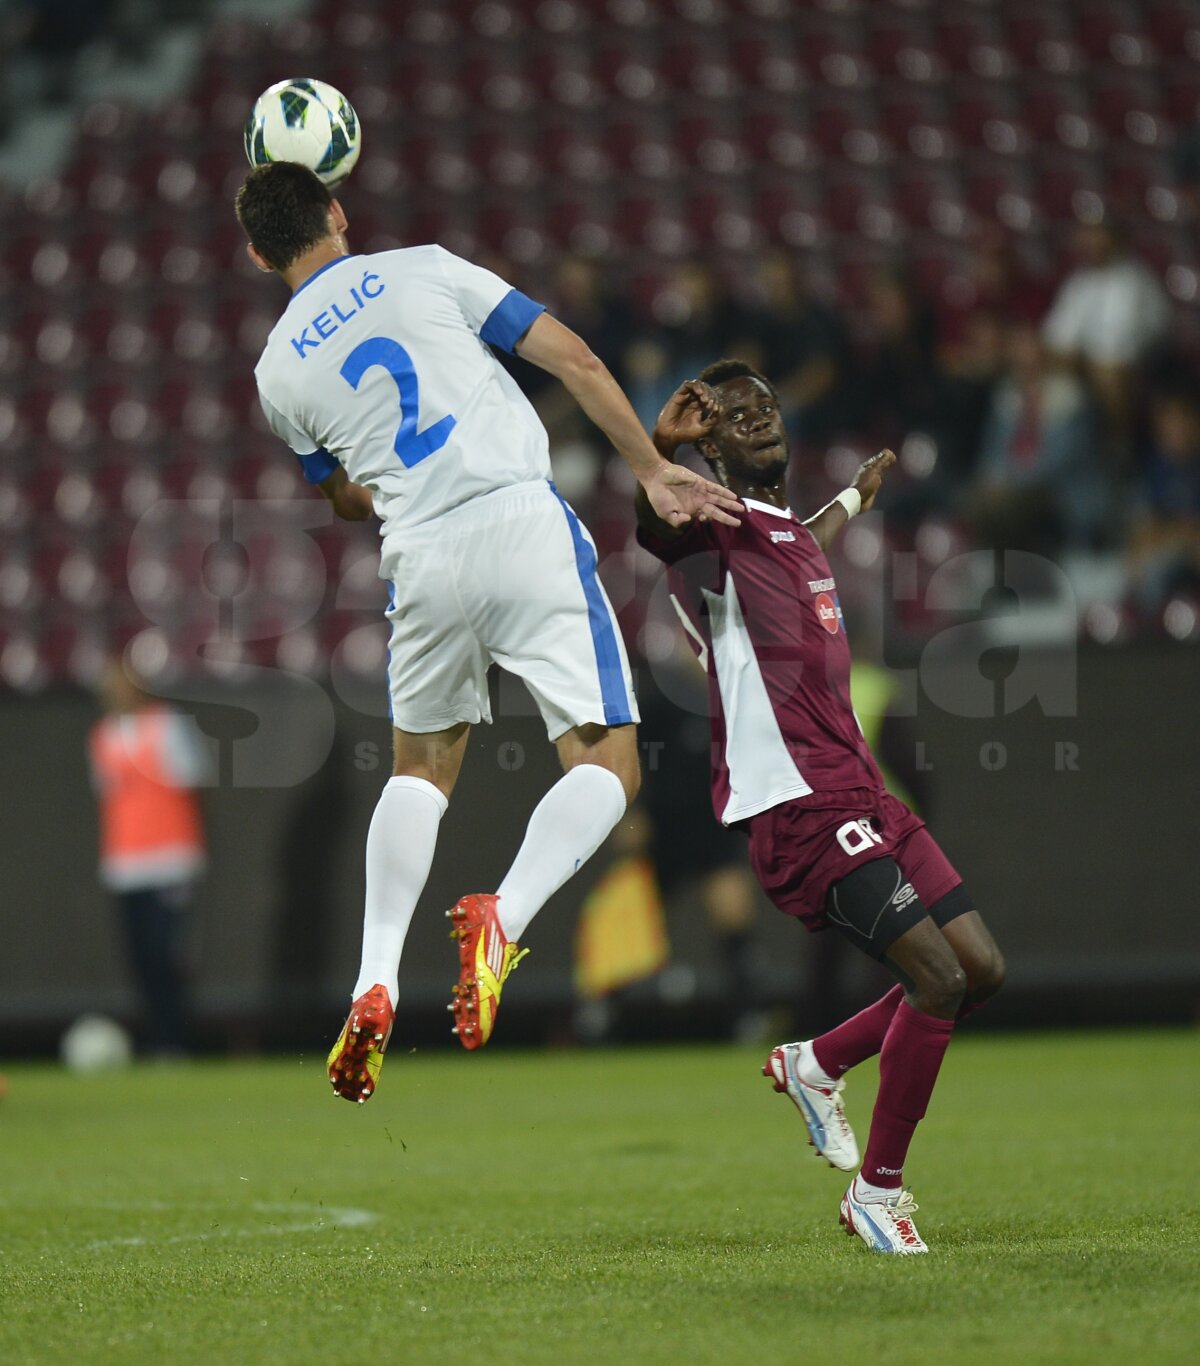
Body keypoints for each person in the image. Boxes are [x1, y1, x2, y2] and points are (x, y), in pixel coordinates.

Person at [233, 163, 740, 1103]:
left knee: (419, 772)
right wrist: (654, 468)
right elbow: (575, 359)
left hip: (419, 551)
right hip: (516, 518)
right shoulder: (424, 267)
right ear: (339, 211)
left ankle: (374, 977)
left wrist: (381, 481)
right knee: (607, 763)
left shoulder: (275, 372)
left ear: (261, 254)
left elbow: (343, 492)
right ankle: (502, 917)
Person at [636, 360, 1005, 1255]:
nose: (757, 416)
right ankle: (877, 1195)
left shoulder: (782, 534)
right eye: (734, 413)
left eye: (765, 403)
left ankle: (818, 1060)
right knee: (938, 981)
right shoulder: (715, 534)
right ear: (712, 443)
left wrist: (855, 496)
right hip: (799, 801)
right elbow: (658, 531)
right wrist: (656, 450)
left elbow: (809, 532)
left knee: (979, 968)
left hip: (864, 790)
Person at [88, 656, 210, 1056]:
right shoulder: (103, 736)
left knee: (165, 952)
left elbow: (193, 777)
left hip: (169, 858)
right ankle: (158, 1036)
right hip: (125, 863)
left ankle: (175, 1038)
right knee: (139, 956)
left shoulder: (167, 725)